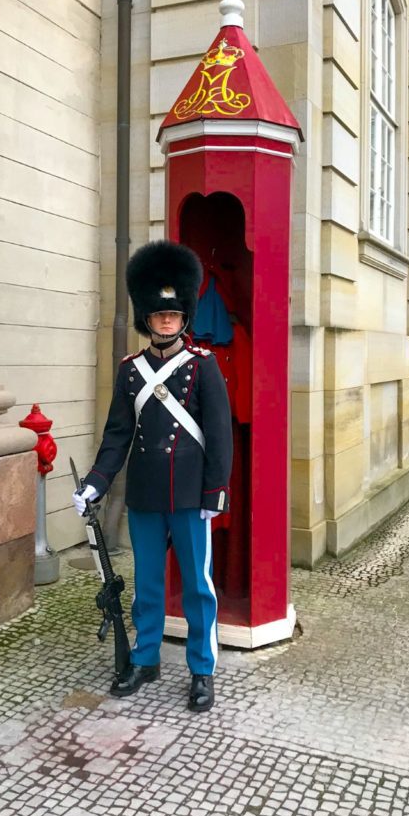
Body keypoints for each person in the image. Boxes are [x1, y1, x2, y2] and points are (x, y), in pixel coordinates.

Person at [73, 240, 233, 712]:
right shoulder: (130, 372)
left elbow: (220, 437)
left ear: (185, 317)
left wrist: (214, 493)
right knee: (146, 581)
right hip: (145, 493)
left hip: (188, 496)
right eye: (159, 315)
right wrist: (96, 483)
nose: (166, 321)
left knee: (198, 587)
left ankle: (202, 669)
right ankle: (145, 658)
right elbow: (117, 435)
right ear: (147, 318)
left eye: (174, 314)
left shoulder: (202, 367)